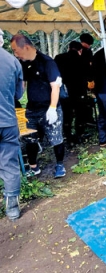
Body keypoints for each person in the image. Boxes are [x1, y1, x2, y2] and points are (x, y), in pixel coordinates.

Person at [11, 34, 66, 178]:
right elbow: (23, 83)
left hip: (49, 107)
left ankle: (60, 165)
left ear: (26, 47)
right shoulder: (23, 63)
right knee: (30, 139)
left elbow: (55, 86)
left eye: (16, 50)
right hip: (32, 108)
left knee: (56, 138)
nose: (15, 54)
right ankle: (34, 167)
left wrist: (53, 108)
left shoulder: (47, 62)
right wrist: (17, 94)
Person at [0, 46, 24, 220]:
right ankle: (12, 208)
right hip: (8, 120)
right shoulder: (13, 61)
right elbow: (19, 93)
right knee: (10, 163)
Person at [54, 41, 87, 146]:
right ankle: (79, 135)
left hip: (64, 92)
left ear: (68, 48)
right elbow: (88, 75)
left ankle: (68, 137)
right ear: (80, 50)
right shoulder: (82, 59)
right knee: (80, 114)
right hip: (79, 92)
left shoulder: (59, 58)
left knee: (66, 115)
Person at [80, 33, 97, 126]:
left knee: (88, 99)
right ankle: (86, 119)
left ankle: (88, 118)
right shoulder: (83, 51)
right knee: (86, 100)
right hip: (83, 79)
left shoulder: (87, 50)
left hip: (86, 79)